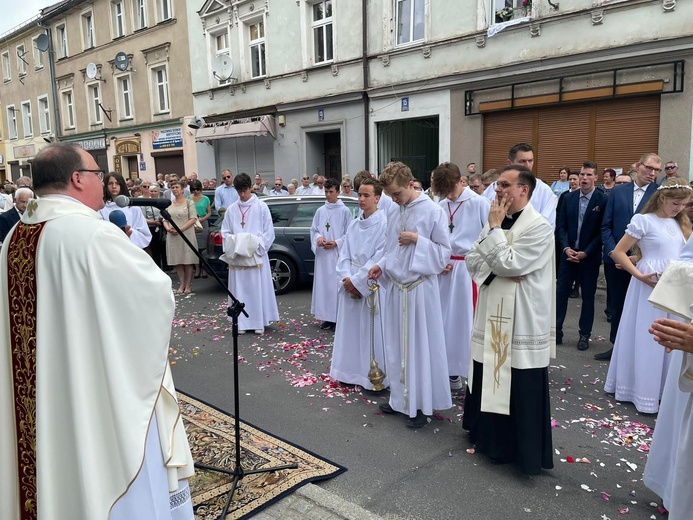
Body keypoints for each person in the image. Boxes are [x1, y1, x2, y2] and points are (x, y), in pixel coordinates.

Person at [0, 143, 194, 519]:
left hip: (37, 393)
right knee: (103, 459)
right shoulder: (92, 235)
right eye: (95, 175)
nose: (102, 184)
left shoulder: (13, 240)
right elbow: (154, 295)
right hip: (91, 390)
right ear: (76, 179)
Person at [464, 165, 555, 475]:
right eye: (497, 184)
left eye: (504, 185)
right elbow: (472, 260)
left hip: (521, 318)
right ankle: (489, 440)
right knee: (488, 369)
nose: (497, 190)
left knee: (516, 378)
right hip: (493, 308)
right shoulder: (496, 221)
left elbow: (511, 263)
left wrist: (497, 246)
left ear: (523, 190)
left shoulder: (539, 227)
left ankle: (519, 451)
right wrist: (499, 261)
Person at [367, 162, 452, 429]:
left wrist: (418, 239)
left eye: (397, 194)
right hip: (397, 288)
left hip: (418, 291)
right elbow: (389, 247)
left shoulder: (432, 210)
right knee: (396, 347)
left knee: (418, 349)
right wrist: (381, 264)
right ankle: (399, 400)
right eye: (391, 195)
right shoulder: (395, 210)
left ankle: (420, 406)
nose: (394, 199)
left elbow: (443, 253)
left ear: (410, 184)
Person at [603, 179, 691, 412]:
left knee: (671, 336)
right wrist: (638, 275)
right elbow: (618, 252)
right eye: (676, 203)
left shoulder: (680, 223)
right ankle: (640, 389)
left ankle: (664, 389)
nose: (680, 208)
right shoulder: (644, 221)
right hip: (648, 284)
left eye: (683, 204)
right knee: (648, 335)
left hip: (673, 285)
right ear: (662, 199)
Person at [595, 153, 661, 361]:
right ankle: (616, 346)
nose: (652, 173)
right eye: (649, 168)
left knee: (640, 306)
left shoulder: (659, 195)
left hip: (643, 261)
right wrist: (616, 254)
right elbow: (606, 225)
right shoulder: (618, 191)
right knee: (617, 304)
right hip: (615, 260)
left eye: (657, 170)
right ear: (638, 166)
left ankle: (637, 349)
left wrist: (634, 258)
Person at [431, 162, 489, 390]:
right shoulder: (440, 204)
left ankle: (470, 374)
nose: (448, 195)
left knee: (466, 324)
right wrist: (438, 258)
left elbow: (491, 236)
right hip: (444, 271)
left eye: (450, 189)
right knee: (444, 323)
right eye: (443, 190)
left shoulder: (479, 204)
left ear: (460, 181)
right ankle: (450, 372)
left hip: (468, 271)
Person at [330, 178, 388, 389]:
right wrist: (345, 278)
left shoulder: (384, 224)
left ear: (377, 198)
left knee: (369, 333)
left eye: (366, 195)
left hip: (370, 283)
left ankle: (370, 376)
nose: (361, 199)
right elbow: (343, 255)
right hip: (350, 281)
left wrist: (357, 281)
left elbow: (381, 256)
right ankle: (348, 372)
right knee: (350, 332)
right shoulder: (354, 224)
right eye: (359, 195)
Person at [555, 162, 608, 351]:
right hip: (568, 256)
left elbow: (602, 230)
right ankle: (557, 331)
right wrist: (566, 248)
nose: (584, 178)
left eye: (588, 175)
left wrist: (587, 251)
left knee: (587, 298)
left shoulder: (602, 200)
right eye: (582, 174)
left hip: (589, 257)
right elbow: (560, 226)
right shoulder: (567, 198)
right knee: (560, 294)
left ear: (595, 177)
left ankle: (584, 334)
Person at [220, 173, 279, 335]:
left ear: (250, 187)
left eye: (244, 191)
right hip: (238, 257)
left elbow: (269, 233)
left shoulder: (261, 207)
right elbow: (225, 233)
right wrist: (238, 243)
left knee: (256, 290)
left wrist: (252, 244)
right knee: (240, 291)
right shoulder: (232, 209)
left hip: (256, 256)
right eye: (239, 191)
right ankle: (242, 322)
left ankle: (258, 321)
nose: (242, 195)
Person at [310, 178, 353, 331]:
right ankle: (327, 318)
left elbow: (349, 234)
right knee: (324, 287)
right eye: (326, 192)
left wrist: (336, 242)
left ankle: (337, 318)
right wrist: (319, 238)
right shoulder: (320, 211)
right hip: (323, 256)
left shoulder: (345, 211)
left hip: (336, 255)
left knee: (335, 286)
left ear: (338, 192)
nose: (328, 195)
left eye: (331, 192)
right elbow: (314, 230)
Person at [481, 143, 557, 228]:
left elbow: (547, 225)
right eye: (522, 161)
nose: (527, 165)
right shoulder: (493, 188)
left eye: (530, 161)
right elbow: (483, 218)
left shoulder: (544, 191)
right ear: (509, 163)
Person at [163, 181, 198, 295]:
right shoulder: (169, 204)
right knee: (178, 260)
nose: (175, 189)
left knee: (187, 260)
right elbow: (164, 219)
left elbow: (193, 218)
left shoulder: (189, 202)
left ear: (182, 189)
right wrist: (168, 228)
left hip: (186, 233)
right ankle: (181, 284)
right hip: (173, 235)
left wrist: (181, 229)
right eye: (172, 187)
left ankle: (188, 285)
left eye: (177, 187)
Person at [99, 172, 152, 249]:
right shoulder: (101, 208)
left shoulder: (133, 208)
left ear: (122, 185)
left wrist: (127, 232)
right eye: (110, 183)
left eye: (117, 183)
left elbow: (144, 235)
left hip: (131, 249)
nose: (114, 186)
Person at [188, 179, 212, 279]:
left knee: (204, 248)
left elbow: (209, 212)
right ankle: (197, 268)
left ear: (201, 189)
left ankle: (205, 269)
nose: (196, 191)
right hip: (193, 223)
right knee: (195, 248)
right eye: (193, 189)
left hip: (204, 223)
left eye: (197, 189)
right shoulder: (189, 198)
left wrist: (202, 219)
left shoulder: (205, 198)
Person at [142, 185, 167, 270]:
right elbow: (142, 218)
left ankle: (167, 267)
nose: (153, 193)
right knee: (155, 248)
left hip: (163, 227)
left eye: (155, 191)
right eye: (151, 191)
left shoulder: (163, 201)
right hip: (152, 228)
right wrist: (153, 222)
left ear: (158, 192)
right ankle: (157, 267)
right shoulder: (146, 203)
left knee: (164, 248)